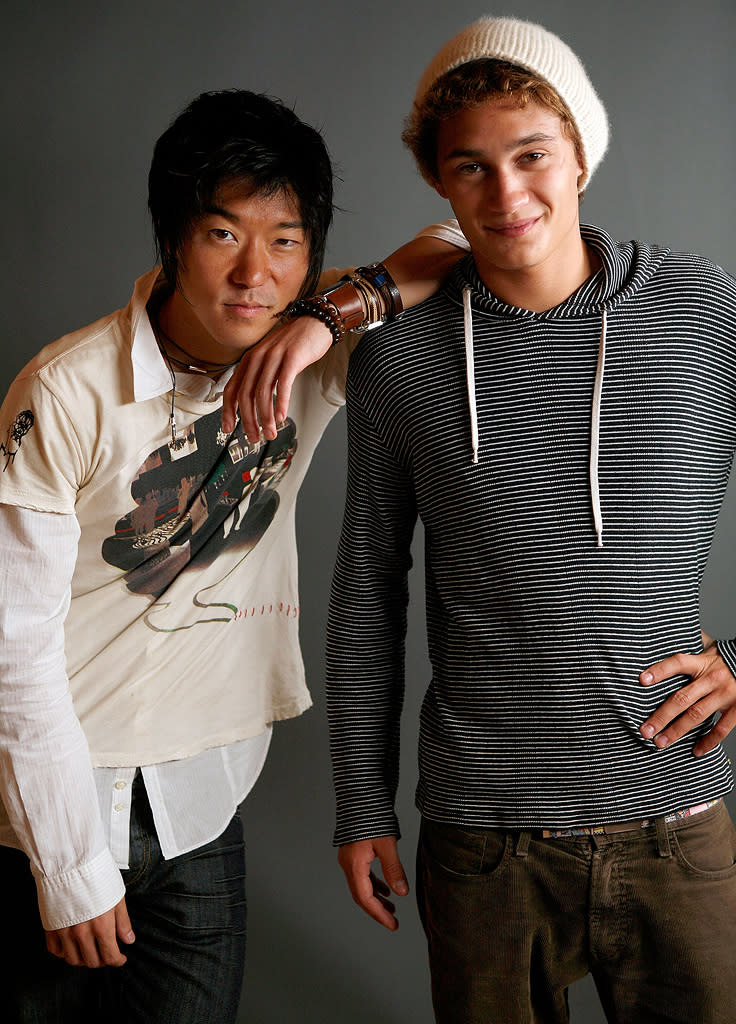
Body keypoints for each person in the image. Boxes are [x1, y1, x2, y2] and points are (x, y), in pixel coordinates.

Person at [0, 88, 464, 1023]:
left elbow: (459, 239)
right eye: (223, 234)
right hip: (51, 809)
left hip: (202, 804)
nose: (256, 273)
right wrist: (67, 864)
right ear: (174, 238)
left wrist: (322, 321)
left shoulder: (309, 358)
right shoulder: (68, 390)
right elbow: (10, 648)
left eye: (286, 240)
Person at [324, 16, 736, 1024]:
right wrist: (357, 801)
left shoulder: (702, 312)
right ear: (438, 182)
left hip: (674, 821)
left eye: (530, 155)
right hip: (482, 842)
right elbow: (368, 586)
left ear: (580, 154)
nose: (506, 195)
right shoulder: (401, 357)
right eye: (470, 167)